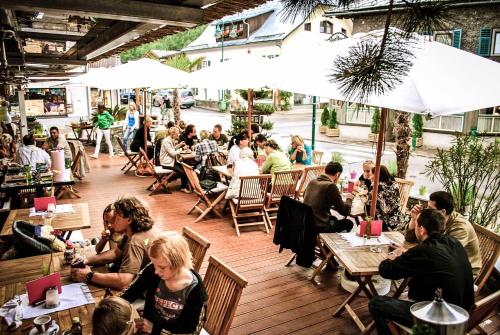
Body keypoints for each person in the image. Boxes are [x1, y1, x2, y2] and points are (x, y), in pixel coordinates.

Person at [369, 209, 474, 335]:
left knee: (376, 303)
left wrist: (391, 255)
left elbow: (386, 271)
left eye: (416, 226)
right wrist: (408, 254)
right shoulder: (454, 243)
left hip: (439, 323)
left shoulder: (422, 251)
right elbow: (431, 260)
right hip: (462, 315)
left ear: (422, 230)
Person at [121, 231, 208, 335]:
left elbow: (192, 332)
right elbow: (130, 293)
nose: (156, 271)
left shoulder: (196, 291)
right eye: (154, 264)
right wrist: (114, 304)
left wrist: (154, 329)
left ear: (178, 262)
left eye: (162, 267)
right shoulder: (153, 270)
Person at [71, 197, 156, 290]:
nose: (112, 222)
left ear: (129, 219)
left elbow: (123, 281)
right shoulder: (136, 232)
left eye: (117, 217)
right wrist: (85, 260)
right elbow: (115, 253)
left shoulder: (134, 242)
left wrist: (88, 275)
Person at [405, 191, 482, 276]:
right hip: (444, 263)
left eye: (430, 208)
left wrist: (409, 253)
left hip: (463, 273)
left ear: (442, 212)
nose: (426, 210)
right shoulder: (436, 219)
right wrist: (414, 218)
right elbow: (409, 238)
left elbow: (442, 256)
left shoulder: (461, 228)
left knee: (413, 265)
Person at [303, 162, 354, 233]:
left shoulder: (312, 181)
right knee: (348, 223)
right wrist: (349, 199)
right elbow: (344, 212)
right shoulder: (331, 186)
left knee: (334, 219)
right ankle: (330, 243)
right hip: (319, 226)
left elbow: (304, 196)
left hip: (305, 223)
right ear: (338, 174)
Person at [367, 165, 408, 231]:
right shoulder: (395, 184)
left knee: (367, 207)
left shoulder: (376, 185)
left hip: (383, 222)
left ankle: (370, 228)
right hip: (397, 217)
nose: (371, 176)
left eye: (373, 174)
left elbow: (369, 202)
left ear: (378, 175)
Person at [160, 127, 190, 193]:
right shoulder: (166, 141)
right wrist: (182, 149)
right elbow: (173, 153)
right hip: (166, 162)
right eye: (177, 133)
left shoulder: (170, 139)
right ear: (172, 134)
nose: (178, 135)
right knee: (182, 172)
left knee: (185, 169)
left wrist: (180, 145)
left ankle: (183, 187)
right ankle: (167, 181)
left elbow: (172, 149)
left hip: (170, 161)